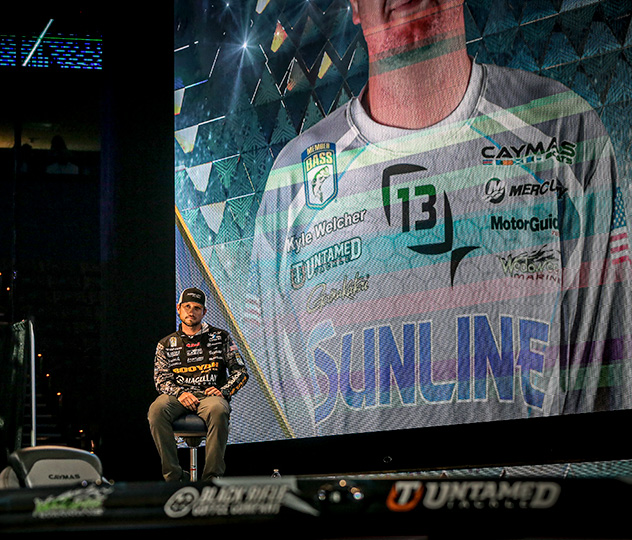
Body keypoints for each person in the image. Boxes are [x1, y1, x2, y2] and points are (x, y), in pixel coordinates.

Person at [245, 0, 632, 438]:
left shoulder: (563, 130)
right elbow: (274, 418)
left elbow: (606, 393)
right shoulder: (293, 180)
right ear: (354, 5)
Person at [148, 287, 249, 481]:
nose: (191, 312)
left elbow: (241, 372)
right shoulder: (166, 344)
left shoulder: (221, 337)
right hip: (178, 397)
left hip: (209, 397)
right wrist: (180, 393)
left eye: (197, 308)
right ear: (178, 308)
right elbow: (161, 379)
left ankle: (211, 478)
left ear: (204, 312)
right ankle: (174, 476)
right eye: (187, 306)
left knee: (218, 409)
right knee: (156, 410)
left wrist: (223, 391)